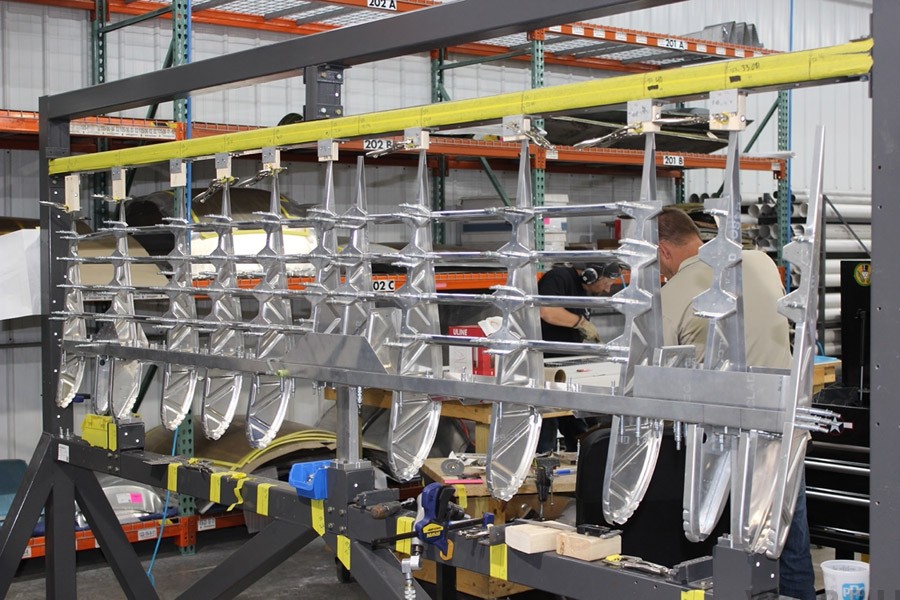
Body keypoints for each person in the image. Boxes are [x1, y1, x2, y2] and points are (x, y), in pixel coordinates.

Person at [657, 206, 815, 600]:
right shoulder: (761, 261)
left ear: (663, 251)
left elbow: (654, 378)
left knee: (731, 547)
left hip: (727, 438)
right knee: (788, 541)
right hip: (784, 421)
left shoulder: (672, 294)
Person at [536, 262, 621, 453]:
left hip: (566, 368)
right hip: (546, 369)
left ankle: (581, 460)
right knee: (547, 428)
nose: (607, 290)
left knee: (581, 429)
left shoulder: (584, 292)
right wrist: (581, 323)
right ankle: (544, 463)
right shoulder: (559, 277)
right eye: (606, 283)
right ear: (590, 275)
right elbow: (547, 311)